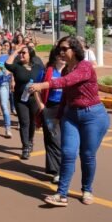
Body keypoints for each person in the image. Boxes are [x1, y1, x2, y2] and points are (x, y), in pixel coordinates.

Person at [30, 36, 110, 207]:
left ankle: (87, 189)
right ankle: (61, 194)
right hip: (71, 115)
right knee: (68, 153)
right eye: (59, 49)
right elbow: (66, 95)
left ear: (75, 49)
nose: (61, 52)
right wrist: (59, 116)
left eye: (64, 48)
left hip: (93, 116)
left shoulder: (85, 67)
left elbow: (66, 82)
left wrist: (42, 85)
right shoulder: (67, 69)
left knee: (87, 155)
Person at [5, 44, 44, 159]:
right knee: (24, 122)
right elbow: (7, 64)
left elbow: (44, 78)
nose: (21, 55)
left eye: (24, 53)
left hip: (34, 99)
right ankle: (25, 147)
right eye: (20, 53)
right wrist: (15, 51)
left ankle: (30, 140)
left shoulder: (38, 67)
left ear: (30, 55)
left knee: (32, 122)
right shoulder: (17, 66)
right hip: (20, 99)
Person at [34, 47, 65, 184]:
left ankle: (61, 167)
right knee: (53, 139)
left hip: (66, 108)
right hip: (50, 108)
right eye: (59, 54)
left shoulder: (71, 71)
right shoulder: (47, 71)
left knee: (65, 139)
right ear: (55, 56)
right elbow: (36, 87)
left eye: (65, 54)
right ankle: (56, 171)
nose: (62, 57)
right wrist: (41, 105)